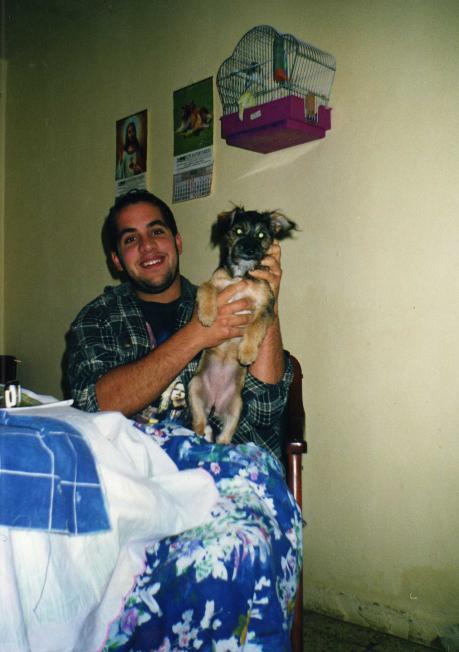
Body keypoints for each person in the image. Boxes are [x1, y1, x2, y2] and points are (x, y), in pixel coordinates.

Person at [66, 189, 293, 459]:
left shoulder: (225, 301)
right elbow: (93, 407)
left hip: (219, 463)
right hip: (132, 466)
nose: (147, 245)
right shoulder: (98, 318)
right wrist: (197, 334)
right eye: (130, 239)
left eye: (157, 231)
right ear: (117, 260)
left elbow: (265, 410)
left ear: (178, 242)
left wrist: (269, 300)